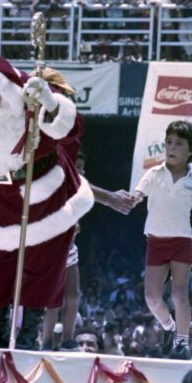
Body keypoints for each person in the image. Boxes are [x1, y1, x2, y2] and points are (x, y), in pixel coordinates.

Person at [0, 52, 95, 350]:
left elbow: (73, 128)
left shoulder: (32, 93)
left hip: (40, 193)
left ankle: (28, 334)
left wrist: (49, 103)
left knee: (41, 263)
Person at [130, 120, 192, 359]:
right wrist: (132, 198)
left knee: (178, 295)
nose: (171, 148)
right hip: (155, 241)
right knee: (152, 297)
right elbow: (138, 194)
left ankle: (182, 343)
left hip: (182, 241)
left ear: (191, 151)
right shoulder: (153, 173)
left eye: (179, 144)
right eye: (169, 142)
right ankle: (169, 326)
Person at [41, 147, 134, 351]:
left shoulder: (79, 187)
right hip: (53, 248)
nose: (80, 171)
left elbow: (87, 191)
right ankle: (46, 342)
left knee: (74, 295)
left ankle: (67, 340)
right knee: (53, 299)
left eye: (83, 167)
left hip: (70, 247)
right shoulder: (57, 182)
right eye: (77, 167)